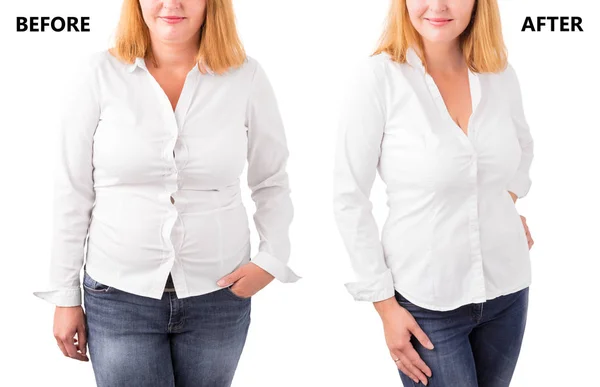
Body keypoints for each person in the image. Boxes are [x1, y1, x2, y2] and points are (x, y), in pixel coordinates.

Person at [33, 1, 300, 386]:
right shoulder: (98, 74)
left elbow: (271, 179)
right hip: (119, 294)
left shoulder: (246, 76)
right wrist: (65, 295)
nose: (171, 4)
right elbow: (72, 191)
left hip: (219, 294)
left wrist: (272, 259)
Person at [333, 0, 534, 386]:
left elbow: (522, 150)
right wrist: (385, 308)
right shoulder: (379, 78)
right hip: (427, 303)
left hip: (507, 290)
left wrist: (500, 207)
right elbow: (349, 197)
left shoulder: (499, 73)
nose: (438, 6)